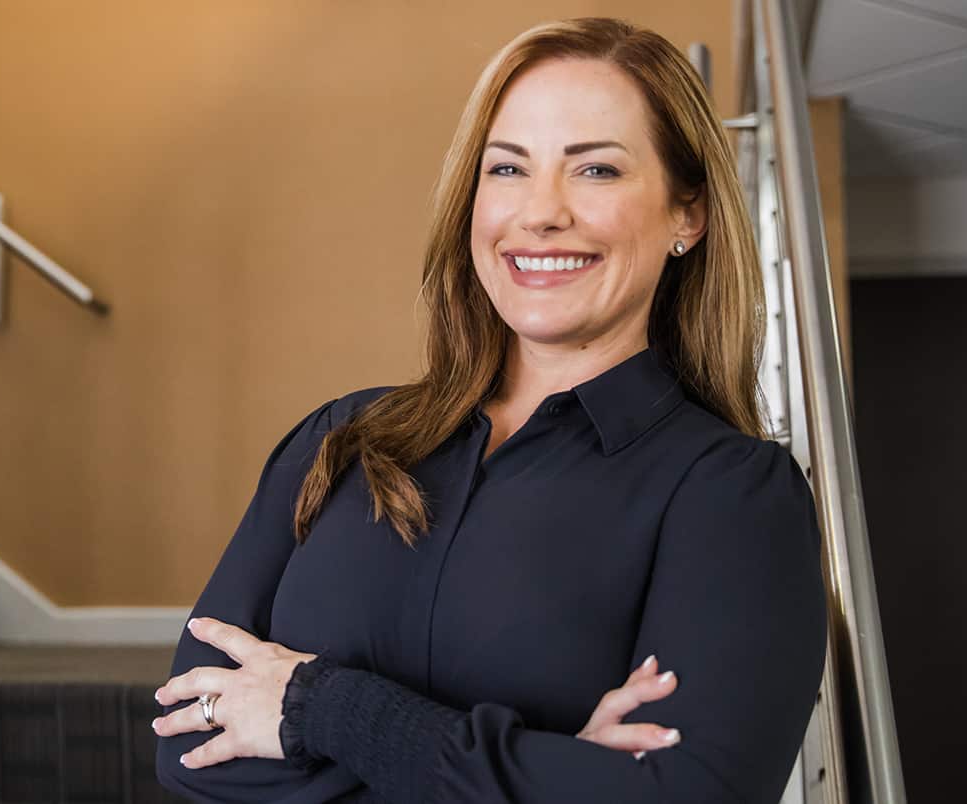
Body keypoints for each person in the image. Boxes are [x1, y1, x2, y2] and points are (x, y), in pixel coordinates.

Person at [152, 17, 826, 804]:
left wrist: (318, 707)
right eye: (507, 169)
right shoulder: (339, 441)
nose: (540, 212)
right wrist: (551, 769)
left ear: (689, 216)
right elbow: (188, 742)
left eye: (597, 171)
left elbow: (685, 796)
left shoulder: (731, 495)